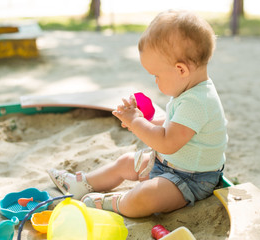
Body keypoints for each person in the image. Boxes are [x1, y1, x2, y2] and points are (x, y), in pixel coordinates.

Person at [48, 10, 228, 218]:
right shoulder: (190, 90)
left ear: (181, 70)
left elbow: (167, 142)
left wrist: (136, 121)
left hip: (191, 180)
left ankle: (115, 203)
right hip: (167, 164)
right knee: (125, 162)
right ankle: (82, 183)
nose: (155, 81)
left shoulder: (198, 101)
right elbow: (174, 126)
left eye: (156, 75)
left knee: (147, 196)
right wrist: (146, 120)